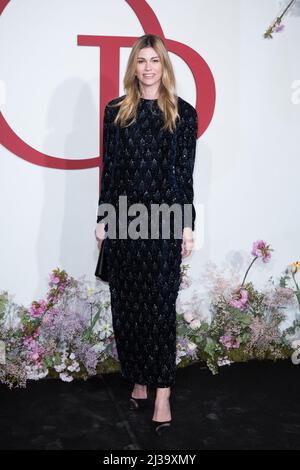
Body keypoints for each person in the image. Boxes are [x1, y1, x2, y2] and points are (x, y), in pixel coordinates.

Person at [95, 33, 198, 434]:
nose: (148, 67)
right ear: (133, 67)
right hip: (124, 220)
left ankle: (162, 392)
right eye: (142, 61)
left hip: (163, 221)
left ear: (165, 66)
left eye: (155, 60)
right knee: (128, 306)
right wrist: (104, 218)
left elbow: (184, 176)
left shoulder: (183, 114)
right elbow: (112, 169)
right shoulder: (116, 111)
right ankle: (138, 376)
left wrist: (187, 226)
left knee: (158, 309)